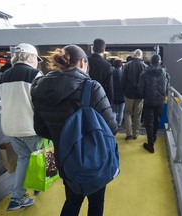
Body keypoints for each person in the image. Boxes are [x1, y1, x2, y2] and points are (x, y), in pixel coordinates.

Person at [30, 44, 118, 216]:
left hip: (65, 159)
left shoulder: (39, 88)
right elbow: (112, 128)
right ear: (83, 63)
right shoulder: (91, 88)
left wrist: (63, 136)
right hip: (94, 159)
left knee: (72, 200)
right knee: (96, 203)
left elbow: (40, 128)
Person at [0, 43, 44, 211]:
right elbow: (40, 103)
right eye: (36, 59)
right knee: (40, 158)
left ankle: (20, 195)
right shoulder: (35, 74)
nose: (36, 62)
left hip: (10, 127)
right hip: (30, 127)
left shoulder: (4, 75)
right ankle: (33, 189)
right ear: (30, 57)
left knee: (24, 159)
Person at [138, 54, 170, 153]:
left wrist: (143, 96)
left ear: (151, 62)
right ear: (159, 62)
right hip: (160, 101)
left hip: (149, 100)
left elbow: (140, 88)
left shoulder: (144, 73)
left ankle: (150, 144)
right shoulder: (165, 74)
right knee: (157, 119)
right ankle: (154, 137)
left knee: (149, 122)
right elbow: (167, 88)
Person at [120, 49, 148, 140]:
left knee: (127, 113)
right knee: (138, 114)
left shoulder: (127, 66)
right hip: (140, 95)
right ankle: (136, 134)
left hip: (129, 94)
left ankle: (129, 133)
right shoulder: (145, 66)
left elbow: (122, 80)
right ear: (141, 56)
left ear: (133, 55)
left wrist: (124, 90)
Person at [88, 38, 114, 104]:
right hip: (101, 98)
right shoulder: (107, 65)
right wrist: (109, 102)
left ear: (93, 48)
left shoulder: (85, 61)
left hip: (86, 97)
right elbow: (109, 86)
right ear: (104, 50)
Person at [112, 58, 125, 127]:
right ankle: (119, 124)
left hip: (113, 95)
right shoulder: (123, 74)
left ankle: (113, 124)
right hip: (122, 95)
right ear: (121, 65)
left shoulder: (111, 73)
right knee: (121, 112)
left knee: (113, 111)